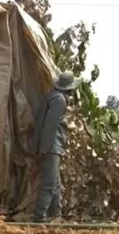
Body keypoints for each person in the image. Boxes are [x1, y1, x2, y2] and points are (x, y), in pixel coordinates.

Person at [31, 71, 80, 223]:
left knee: (56, 183)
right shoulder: (59, 100)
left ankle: (56, 215)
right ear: (69, 88)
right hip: (51, 147)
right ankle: (39, 218)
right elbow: (49, 126)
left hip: (51, 147)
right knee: (49, 184)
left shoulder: (52, 96)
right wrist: (43, 149)